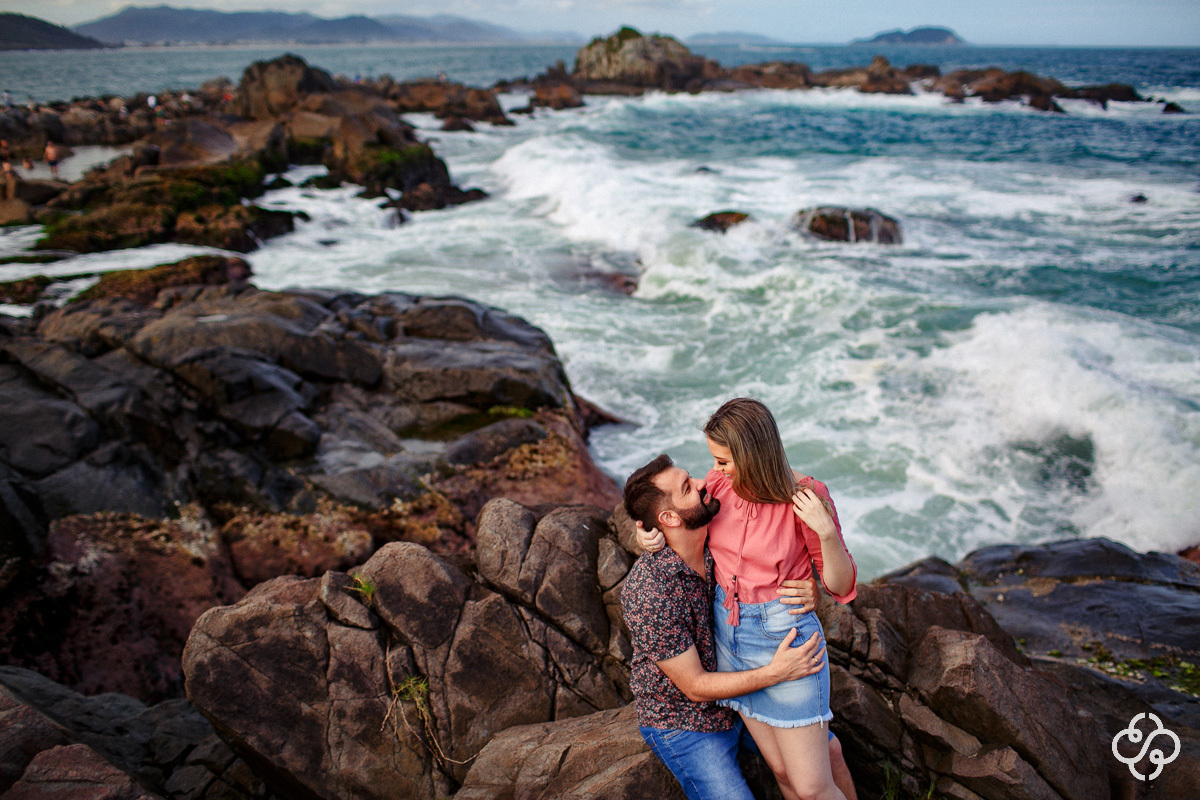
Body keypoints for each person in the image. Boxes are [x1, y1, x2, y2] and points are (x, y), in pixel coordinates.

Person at [638, 398, 857, 800]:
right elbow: (677, 519)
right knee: (782, 773)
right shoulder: (720, 486)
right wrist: (648, 535)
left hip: (785, 640)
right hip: (730, 641)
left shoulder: (805, 495)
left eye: (723, 461)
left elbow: (840, 587)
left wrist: (826, 533)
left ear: (752, 453)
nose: (714, 472)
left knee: (811, 787)